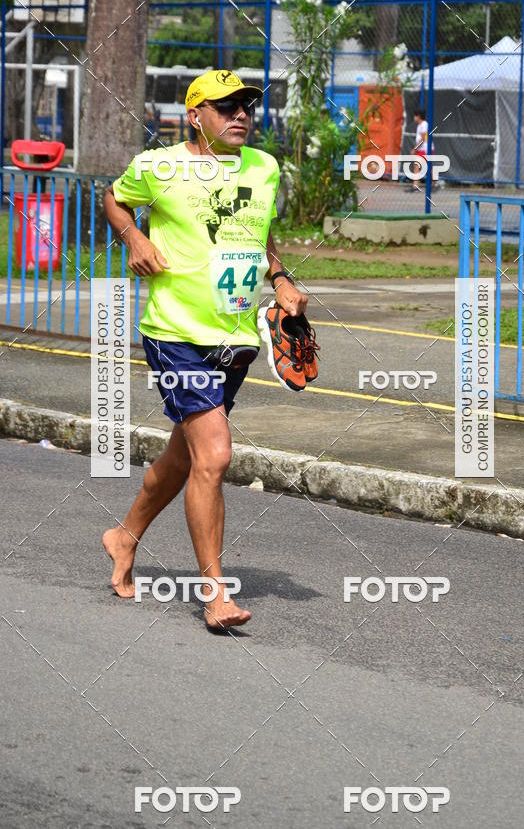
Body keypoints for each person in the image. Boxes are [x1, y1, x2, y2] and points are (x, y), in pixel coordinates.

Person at [102, 69, 308, 629]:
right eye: (225, 107)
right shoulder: (159, 166)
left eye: (246, 105)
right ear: (196, 116)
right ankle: (216, 594)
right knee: (215, 455)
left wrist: (282, 277)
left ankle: (123, 537)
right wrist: (134, 237)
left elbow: (256, 229)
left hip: (235, 338)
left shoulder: (263, 168)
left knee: (185, 456)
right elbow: (113, 199)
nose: (241, 114)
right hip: (175, 334)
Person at [408, 108, 434, 192]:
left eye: (415, 116)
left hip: (426, 149)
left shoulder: (424, 124)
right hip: (421, 149)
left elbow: (423, 139)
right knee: (418, 166)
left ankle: (435, 184)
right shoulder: (419, 125)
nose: (414, 117)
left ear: (418, 116)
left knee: (425, 167)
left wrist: (414, 149)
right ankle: (415, 186)